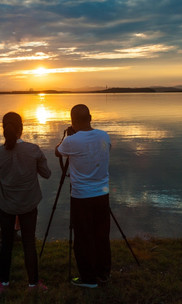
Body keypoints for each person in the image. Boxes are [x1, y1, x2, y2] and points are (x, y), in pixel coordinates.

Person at [0, 112, 51, 293]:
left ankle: (4, 284)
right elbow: (46, 174)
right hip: (28, 205)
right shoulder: (33, 150)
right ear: (21, 128)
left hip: (6, 206)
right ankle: (33, 284)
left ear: (3, 129)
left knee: (6, 244)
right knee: (29, 243)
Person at [55, 104, 111, 288]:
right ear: (91, 117)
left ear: (72, 122)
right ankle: (103, 273)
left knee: (83, 237)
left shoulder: (71, 141)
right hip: (102, 194)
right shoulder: (104, 135)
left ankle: (88, 279)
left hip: (81, 196)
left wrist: (68, 136)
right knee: (102, 235)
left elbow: (58, 152)